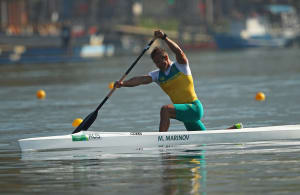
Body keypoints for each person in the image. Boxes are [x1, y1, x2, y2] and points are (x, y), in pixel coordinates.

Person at [115, 30, 206, 132]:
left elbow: (178, 52)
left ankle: (161, 141)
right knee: (203, 141)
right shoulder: (157, 75)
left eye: (159, 61)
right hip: (185, 113)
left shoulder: (180, 66)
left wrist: (164, 38)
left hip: (194, 108)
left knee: (165, 110)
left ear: (166, 57)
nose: (157, 64)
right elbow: (140, 80)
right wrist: (123, 84)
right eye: (155, 63)